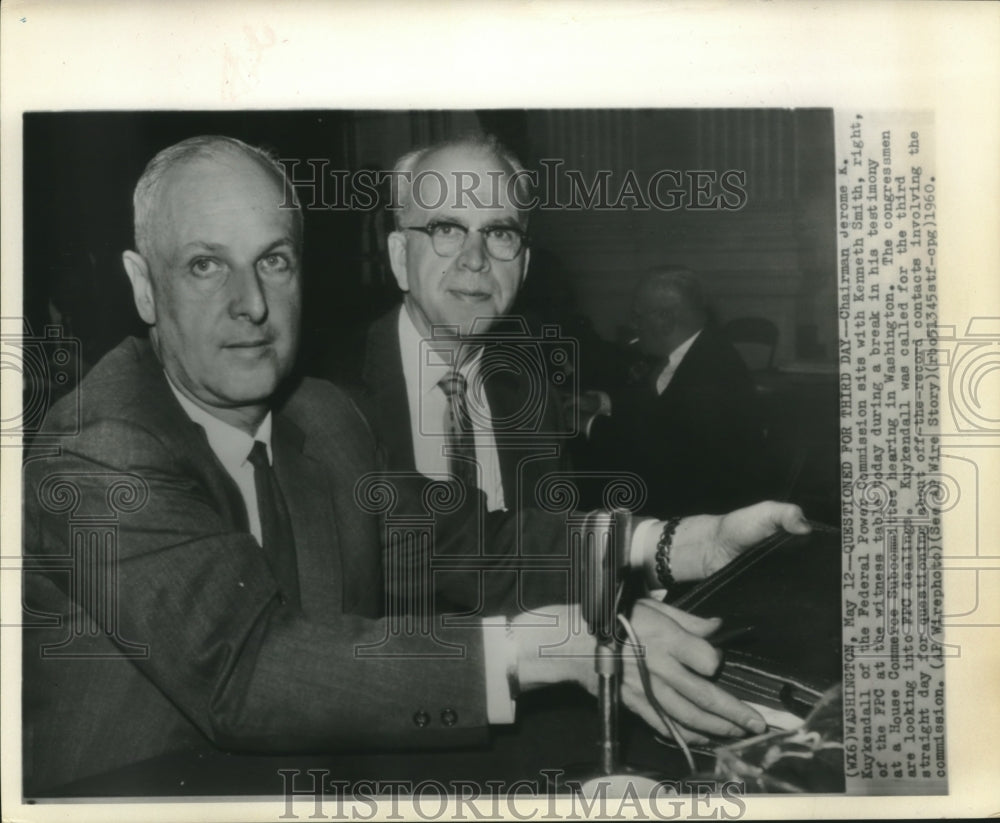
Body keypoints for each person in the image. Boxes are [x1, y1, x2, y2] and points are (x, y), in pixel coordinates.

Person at [22, 135, 808, 795]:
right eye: (204, 265)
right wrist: (555, 646)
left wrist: (680, 542)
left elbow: (466, 543)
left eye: (273, 262)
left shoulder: (317, 418)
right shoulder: (100, 442)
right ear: (141, 286)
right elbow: (249, 671)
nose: (250, 304)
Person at [586, 266, 764, 516]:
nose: (632, 325)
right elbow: (658, 409)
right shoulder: (692, 351)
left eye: (638, 317)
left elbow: (657, 450)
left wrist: (589, 425)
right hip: (677, 490)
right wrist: (602, 403)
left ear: (666, 319)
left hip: (696, 513)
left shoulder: (712, 373)